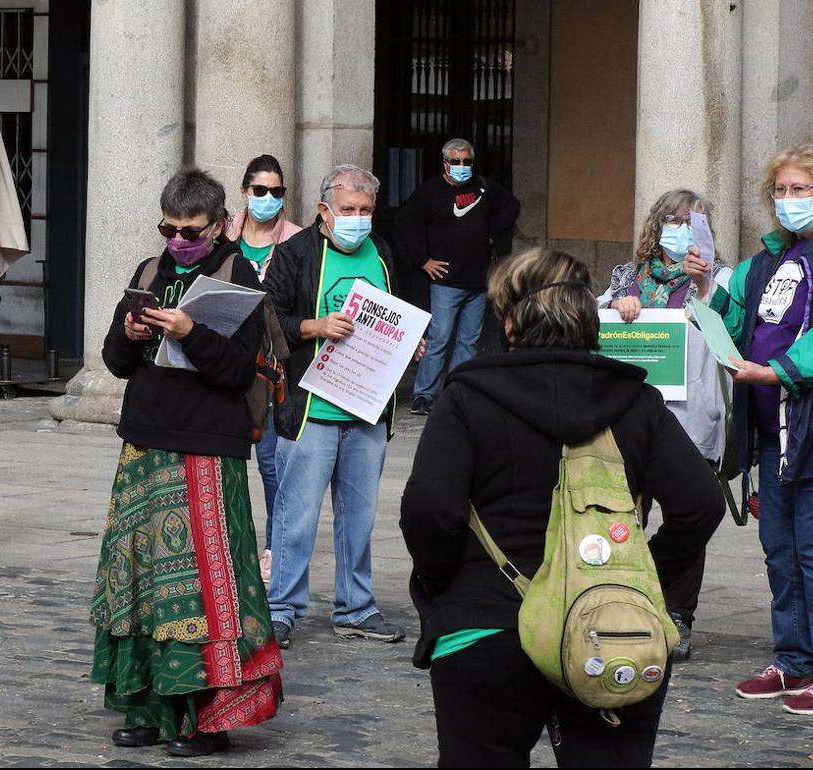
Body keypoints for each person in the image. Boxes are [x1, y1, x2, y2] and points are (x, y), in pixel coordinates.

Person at [400, 247, 723, 767]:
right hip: (612, 629)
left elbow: (429, 510)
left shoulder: (467, 397)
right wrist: (643, 578)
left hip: (487, 623)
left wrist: (447, 585)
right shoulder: (636, 402)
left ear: (509, 324)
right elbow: (700, 504)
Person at [90, 168, 282, 758]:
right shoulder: (149, 273)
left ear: (220, 224)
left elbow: (235, 370)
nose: (178, 241)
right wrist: (127, 332)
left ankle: (208, 718)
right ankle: (148, 705)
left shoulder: (237, 275)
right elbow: (116, 362)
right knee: (142, 579)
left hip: (206, 447)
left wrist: (192, 331)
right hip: (146, 442)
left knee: (204, 589)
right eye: (169, 229)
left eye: (191, 231)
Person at [263, 164, 416, 649]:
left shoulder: (383, 253)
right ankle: (281, 608)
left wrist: (410, 345)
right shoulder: (294, 254)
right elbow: (268, 321)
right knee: (296, 515)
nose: (357, 219)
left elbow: (392, 314)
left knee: (359, 516)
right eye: (348, 210)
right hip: (311, 409)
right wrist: (314, 327)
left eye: (365, 211)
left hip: (367, 409)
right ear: (324, 211)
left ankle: (356, 607)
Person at [715, 141, 813, 715]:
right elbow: (740, 320)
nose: (789, 200)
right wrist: (705, 301)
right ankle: (793, 661)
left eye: (801, 189)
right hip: (769, 431)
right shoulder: (765, 260)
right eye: (781, 190)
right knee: (779, 552)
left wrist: (777, 370)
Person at [598, 189, 734, 659]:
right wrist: (616, 308)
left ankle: (677, 612)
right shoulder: (626, 278)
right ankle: (618, 602)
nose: (680, 229)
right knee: (623, 515)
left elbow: (727, 330)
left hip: (691, 417)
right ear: (657, 226)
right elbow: (594, 325)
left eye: (692, 222)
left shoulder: (721, 277)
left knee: (687, 515)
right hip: (631, 418)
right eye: (672, 220)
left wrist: (701, 289)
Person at [396, 138, 520, 415]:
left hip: (478, 281)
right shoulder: (429, 192)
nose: (462, 166)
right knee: (439, 338)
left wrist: (491, 230)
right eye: (456, 162)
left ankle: (456, 391)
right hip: (445, 283)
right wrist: (423, 260)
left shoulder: (484, 187)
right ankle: (424, 395)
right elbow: (405, 225)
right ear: (445, 163)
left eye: (467, 161)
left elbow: (511, 205)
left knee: (468, 341)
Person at [224, 153, 303, 582]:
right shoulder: (224, 237)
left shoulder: (295, 241)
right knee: (226, 461)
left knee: (273, 465)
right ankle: (228, 547)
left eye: (276, 192)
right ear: (245, 192)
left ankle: (274, 548)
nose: (268, 198)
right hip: (230, 366)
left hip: (272, 373)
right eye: (260, 191)